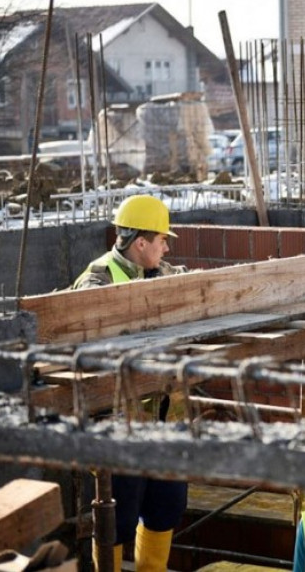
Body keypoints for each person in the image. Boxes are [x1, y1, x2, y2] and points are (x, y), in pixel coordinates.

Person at [73, 194, 188, 572]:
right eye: (162, 240)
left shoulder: (160, 273)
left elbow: (194, 286)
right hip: (120, 428)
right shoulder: (98, 281)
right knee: (117, 521)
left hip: (165, 424)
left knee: (165, 510)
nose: (166, 246)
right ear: (141, 243)